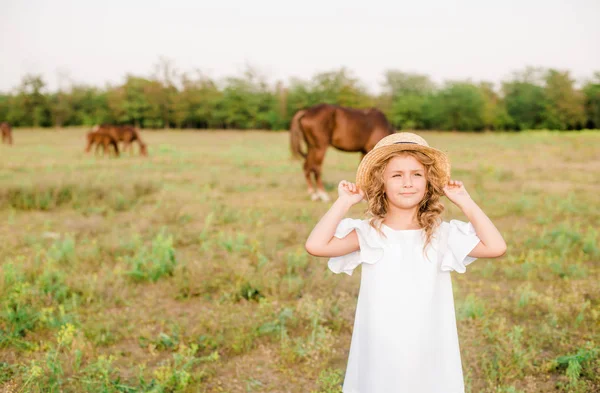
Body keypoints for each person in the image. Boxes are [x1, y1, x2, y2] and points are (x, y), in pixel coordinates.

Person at [305, 132, 507, 393]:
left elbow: (496, 246)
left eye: (417, 174)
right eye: (397, 175)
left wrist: (465, 201)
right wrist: (344, 202)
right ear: (382, 183)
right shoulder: (369, 233)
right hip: (382, 341)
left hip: (429, 338)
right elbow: (316, 245)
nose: (408, 183)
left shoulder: (441, 234)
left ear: (428, 183)